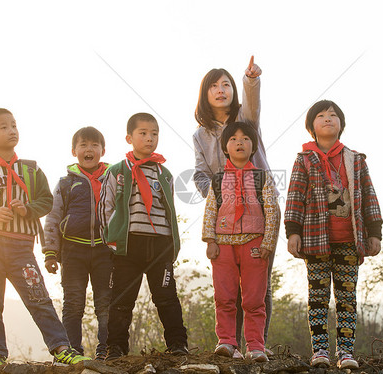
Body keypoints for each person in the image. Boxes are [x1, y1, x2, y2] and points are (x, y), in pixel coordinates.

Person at [0, 108, 90, 369]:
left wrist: (28, 208)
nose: (12, 130)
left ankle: (62, 348)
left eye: (14, 125)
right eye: (4, 127)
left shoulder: (31, 170)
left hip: (22, 247)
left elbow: (47, 201)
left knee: (39, 298)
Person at [284, 100, 383, 369]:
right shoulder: (304, 160)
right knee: (317, 297)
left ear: (341, 124)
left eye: (333, 115)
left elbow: (369, 197)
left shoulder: (355, 160)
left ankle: (346, 352)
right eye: (321, 115)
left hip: (350, 241)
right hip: (315, 240)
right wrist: (293, 231)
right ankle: (320, 351)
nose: (328, 118)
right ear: (311, 127)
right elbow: (294, 197)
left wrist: (375, 232)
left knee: (347, 299)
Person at [193, 56, 278, 354]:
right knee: (228, 285)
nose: (221, 90)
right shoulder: (200, 134)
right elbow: (200, 172)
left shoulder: (245, 119)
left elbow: (252, 103)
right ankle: (229, 343)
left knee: (257, 282)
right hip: (225, 218)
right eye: (214, 86)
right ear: (205, 93)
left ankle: (257, 344)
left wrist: (250, 80)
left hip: (259, 210)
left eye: (226, 84)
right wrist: (216, 197)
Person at [98, 113, 188, 360]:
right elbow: (105, 207)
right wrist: (111, 239)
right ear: (129, 137)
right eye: (143, 133)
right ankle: (115, 347)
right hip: (128, 245)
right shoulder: (117, 171)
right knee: (122, 300)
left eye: (155, 134)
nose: (150, 138)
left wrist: (171, 243)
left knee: (167, 297)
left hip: (159, 245)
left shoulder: (164, 173)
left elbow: (170, 210)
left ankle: (178, 344)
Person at [202, 122, 279, 363]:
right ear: (225, 147)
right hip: (223, 244)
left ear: (253, 146)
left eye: (245, 138)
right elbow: (210, 211)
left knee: (254, 298)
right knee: (224, 296)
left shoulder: (262, 178)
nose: (239, 142)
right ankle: (227, 341)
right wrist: (209, 239)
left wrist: (268, 242)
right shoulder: (218, 179)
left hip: (254, 244)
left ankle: (255, 345)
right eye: (233, 138)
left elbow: (272, 210)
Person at [43, 126, 112, 360]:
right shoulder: (65, 183)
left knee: (106, 303)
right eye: (83, 145)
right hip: (73, 250)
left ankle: (107, 351)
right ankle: (72, 351)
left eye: (94, 145)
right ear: (74, 151)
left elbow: (124, 214)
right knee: (73, 304)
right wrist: (50, 252)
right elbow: (53, 216)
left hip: (106, 250)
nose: (89, 149)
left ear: (103, 150)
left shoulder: (114, 179)